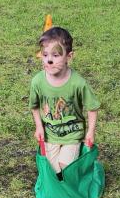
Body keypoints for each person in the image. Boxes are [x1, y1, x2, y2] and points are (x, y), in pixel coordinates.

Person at [29, 27, 99, 176]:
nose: (49, 60)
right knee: (53, 171)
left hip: (73, 134)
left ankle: (75, 174)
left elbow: (92, 107)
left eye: (55, 55)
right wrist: (39, 127)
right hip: (50, 135)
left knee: (65, 168)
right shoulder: (37, 82)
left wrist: (90, 131)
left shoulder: (78, 83)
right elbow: (34, 106)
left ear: (69, 56)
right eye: (45, 54)